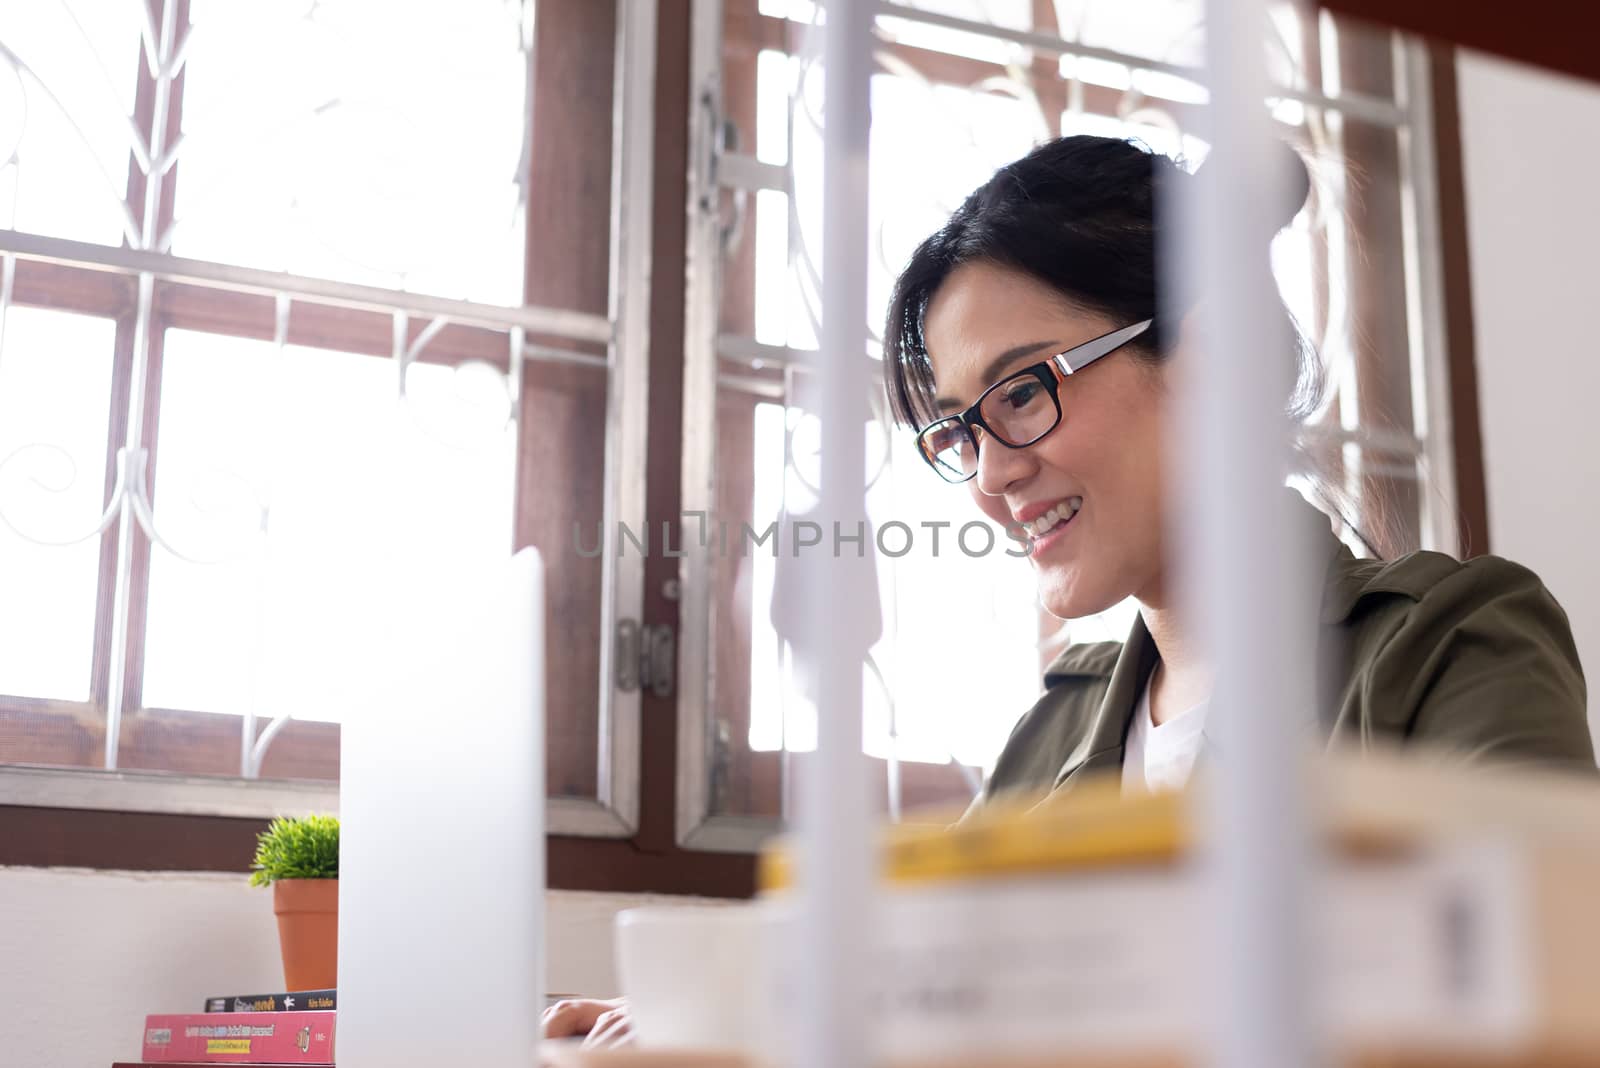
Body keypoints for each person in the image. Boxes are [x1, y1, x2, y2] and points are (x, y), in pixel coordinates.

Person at [543, 133, 1596, 1046]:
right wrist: (721, 1021)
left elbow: (1543, 1003)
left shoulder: (1451, 643)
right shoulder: (1054, 734)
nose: (992, 472)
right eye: (959, 429)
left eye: (1023, 391)